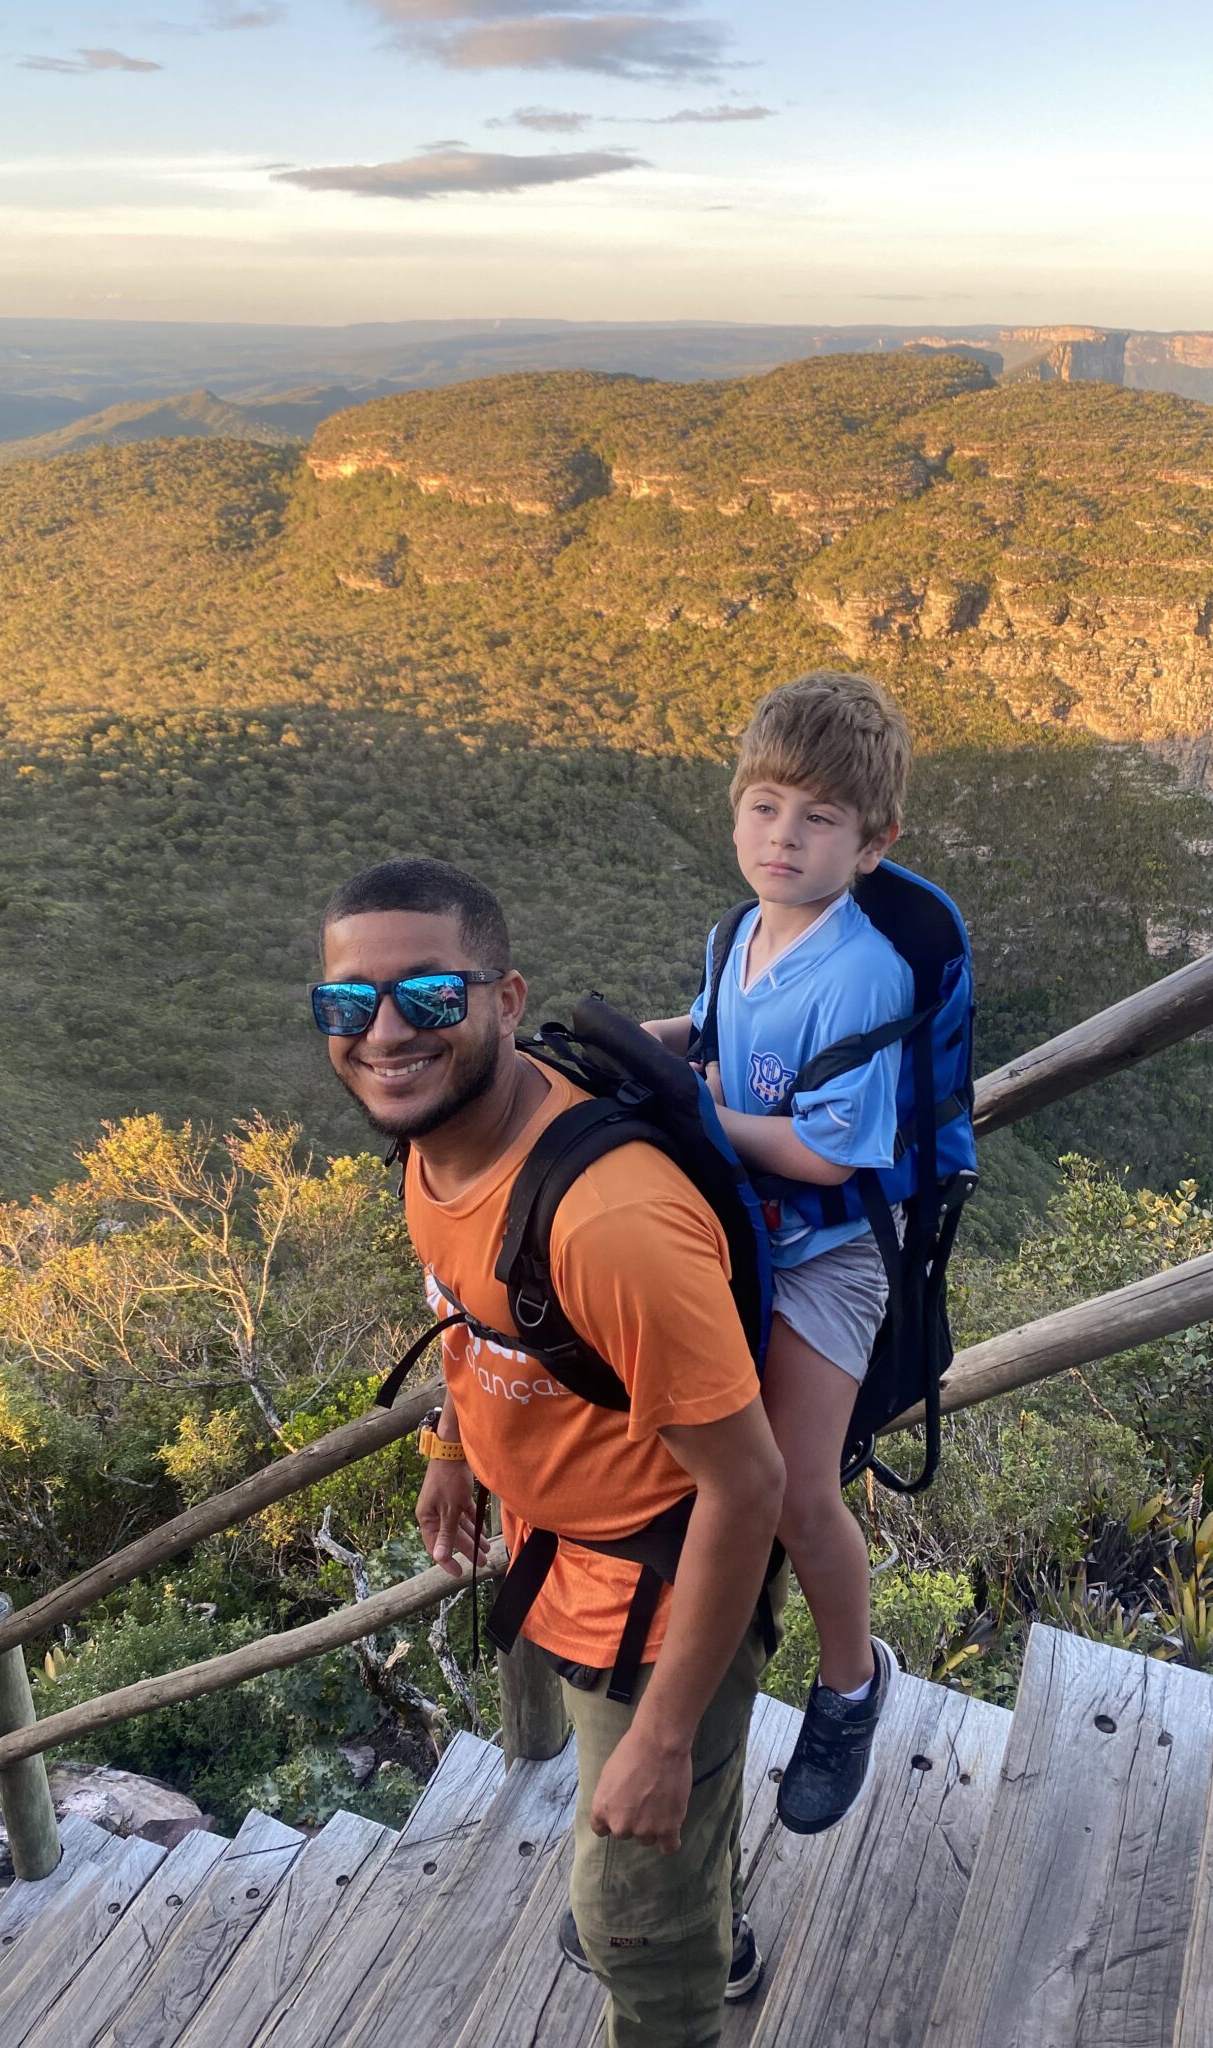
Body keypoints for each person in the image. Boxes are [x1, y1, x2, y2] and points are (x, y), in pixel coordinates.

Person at [313, 856, 787, 2048]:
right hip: (564, 1558)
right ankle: (703, 1913)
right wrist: (453, 1442)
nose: (382, 1033)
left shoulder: (609, 1222)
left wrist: (669, 1736)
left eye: (427, 997)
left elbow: (750, 1483)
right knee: (638, 1839)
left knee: (626, 1912)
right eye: (346, 1004)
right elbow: (472, 1304)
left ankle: (673, 1951)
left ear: (506, 999)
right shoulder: (431, 1147)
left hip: (663, 1593)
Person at [645, 671, 913, 1835]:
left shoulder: (864, 971)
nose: (783, 838)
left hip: (824, 1255)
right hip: (735, 1235)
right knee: (693, 1457)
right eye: (765, 808)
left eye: (818, 820)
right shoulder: (737, 933)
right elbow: (713, 1038)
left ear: (871, 843)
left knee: (800, 1491)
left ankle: (852, 1681)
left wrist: (691, 1108)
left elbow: (822, 1152)